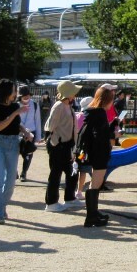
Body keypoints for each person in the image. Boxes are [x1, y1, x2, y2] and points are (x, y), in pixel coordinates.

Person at [0, 79, 32, 224]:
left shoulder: (15, 106)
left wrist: (26, 132)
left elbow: (16, 125)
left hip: (13, 143)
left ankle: (1, 206)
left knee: (11, 180)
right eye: (14, 90)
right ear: (6, 92)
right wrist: (16, 112)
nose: (16, 93)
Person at [43, 80, 81, 212]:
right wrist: (54, 141)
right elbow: (50, 126)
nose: (74, 96)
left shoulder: (67, 106)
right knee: (55, 173)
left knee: (72, 172)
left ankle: (70, 198)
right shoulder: (59, 106)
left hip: (68, 144)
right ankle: (51, 202)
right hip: (59, 144)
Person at [81, 85, 115, 228]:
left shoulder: (90, 112)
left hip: (90, 152)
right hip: (99, 153)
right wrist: (112, 136)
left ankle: (93, 212)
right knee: (96, 184)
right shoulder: (100, 114)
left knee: (94, 183)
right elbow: (100, 135)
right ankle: (91, 216)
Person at [16, 85, 42, 181]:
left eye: (28, 96)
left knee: (28, 153)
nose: (26, 98)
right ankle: (14, 171)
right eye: (24, 96)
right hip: (18, 132)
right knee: (15, 152)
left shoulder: (35, 105)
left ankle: (24, 173)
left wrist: (38, 136)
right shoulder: (16, 105)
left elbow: (37, 120)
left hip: (31, 132)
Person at [74, 96, 93, 199]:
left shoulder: (77, 116)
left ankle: (76, 190)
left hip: (75, 147)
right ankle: (79, 191)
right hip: (84, 149)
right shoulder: (88, 117)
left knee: (76, 168)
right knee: (84, 170)